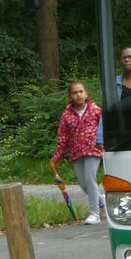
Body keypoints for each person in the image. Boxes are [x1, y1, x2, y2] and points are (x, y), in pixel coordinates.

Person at [49, 81, 105, 224]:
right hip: (76, 153)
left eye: (81, 92)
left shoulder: (95, 110)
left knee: (89, 179)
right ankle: (101, 201)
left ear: (86, 94)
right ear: (70, 96)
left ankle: (94, 213)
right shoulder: (66, 116)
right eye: (75, 93)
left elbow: (104, 128)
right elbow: (63, 138)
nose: (78, 95)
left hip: (93, 150)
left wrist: (103, 143)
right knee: (83, 184)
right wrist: (57, 156)